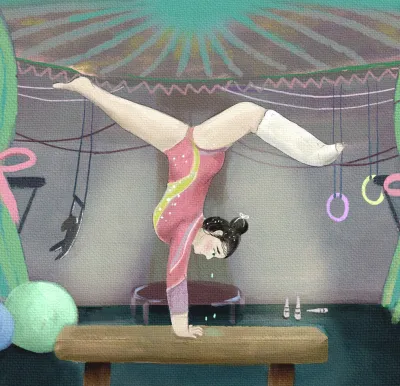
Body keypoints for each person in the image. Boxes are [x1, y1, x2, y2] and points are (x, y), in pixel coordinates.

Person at [53, 77, 344, 338]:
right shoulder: (189, 227)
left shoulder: (187, 229)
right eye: (215, 250)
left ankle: (86, 88)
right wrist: (180, 326)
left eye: (214, 255)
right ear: (212, 232)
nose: (208, 256)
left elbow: (175, 274)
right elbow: (175, 276)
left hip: (183, 148)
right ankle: (314, 154)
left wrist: (179, 326)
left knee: (127, 116)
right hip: (200, 148)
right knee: (250, 114)